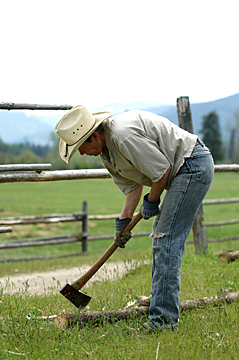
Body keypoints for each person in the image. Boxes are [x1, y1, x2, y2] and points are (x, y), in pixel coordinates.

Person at [55, 104, 214, 332]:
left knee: (166, 239)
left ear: (95, 136)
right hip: (180, 170)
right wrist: (122, 224)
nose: (80, 153)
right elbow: (132, 189)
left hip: (191, 165)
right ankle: (161, 301)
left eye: (81, 146)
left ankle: (164, 322)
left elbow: (162, 170)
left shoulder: (123, 135)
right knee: (161, 238)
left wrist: (152, 201)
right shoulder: (107, 153)